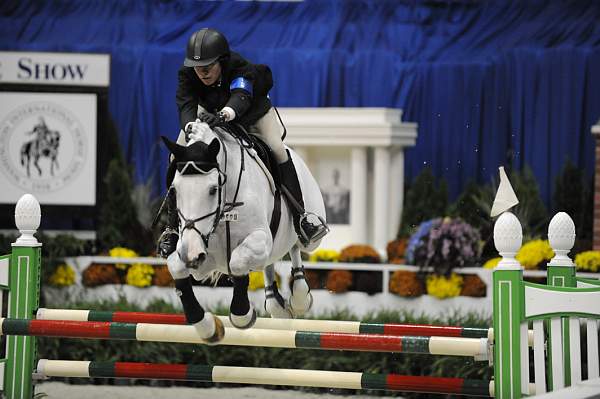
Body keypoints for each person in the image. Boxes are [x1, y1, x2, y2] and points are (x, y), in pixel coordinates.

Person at [158, 28, 328, 257]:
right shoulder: (187, 73)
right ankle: (171, 228)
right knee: (176, 155)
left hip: (251, 113)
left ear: (222, 61)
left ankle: (302, 218)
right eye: (198, 67)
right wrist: (190, 127)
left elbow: (241, 96)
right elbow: (186, 103)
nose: (203, 72)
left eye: (208, 66)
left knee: (277, 149)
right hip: (208, 113)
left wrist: (224, 115)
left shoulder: (239, 68)